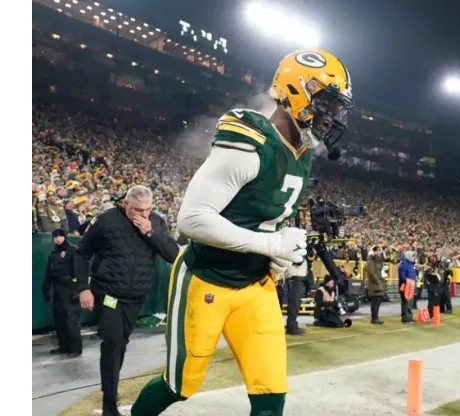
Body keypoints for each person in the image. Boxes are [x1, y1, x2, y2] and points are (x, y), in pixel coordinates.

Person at [130, 49, 354, 416]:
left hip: (255, 286)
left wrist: (280, 250)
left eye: (337, 108)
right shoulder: (251, 139)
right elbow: (193, 219)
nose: (332, 117)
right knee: (180, 385)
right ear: (297, 91)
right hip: (207, 279)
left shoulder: (302, 151)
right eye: (326, 103)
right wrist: (268, 244)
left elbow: (267, 215)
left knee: (270, 394)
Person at [74, 185, 179, 416]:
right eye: (138, 210)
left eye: (148, 209)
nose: (143, 214)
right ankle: (109, 405)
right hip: (110, 294)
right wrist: (83, 288)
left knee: (120, 343)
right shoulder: (105, 221)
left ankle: (109, 383)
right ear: (125, 204)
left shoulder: (156, 222)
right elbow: (81, 253)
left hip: (136, 296)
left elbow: (172, 254)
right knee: (112, 342)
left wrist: (151, 232)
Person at [42, 229, 82, 357]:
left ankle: (76, 348)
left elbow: (80, 271)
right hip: (58, 290)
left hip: (70, 290)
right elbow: (49, 273)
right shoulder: (53, 254)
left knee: (71, 320)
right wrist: (46, 289)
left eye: (60, 236)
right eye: (55, 236)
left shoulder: (73, 250)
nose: (58, 238)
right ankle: (63, 347)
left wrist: (78, 290)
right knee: (59, 320)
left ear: (65, 237)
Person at [364, 246, 386, 324]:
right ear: (373, 252)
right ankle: (374, 318)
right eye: (376, 251)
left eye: (379, 251)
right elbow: (371, 272)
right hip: (374, 284)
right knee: (375, 301)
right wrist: (378, 281)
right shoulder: (371, 260)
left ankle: (376, 317)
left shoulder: (379, 261)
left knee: (379, 300)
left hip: (379, 282)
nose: (378, 252)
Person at [398, 251, 417, 323]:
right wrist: (409, 281)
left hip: (411, 286)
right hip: (405, 286)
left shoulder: (411, 264)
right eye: (412, 256)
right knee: (405, 302)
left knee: (410, 302)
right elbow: (402, 276)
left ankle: (409, 316)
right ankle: (405, 317)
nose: (414, 258)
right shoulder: (403, 264)